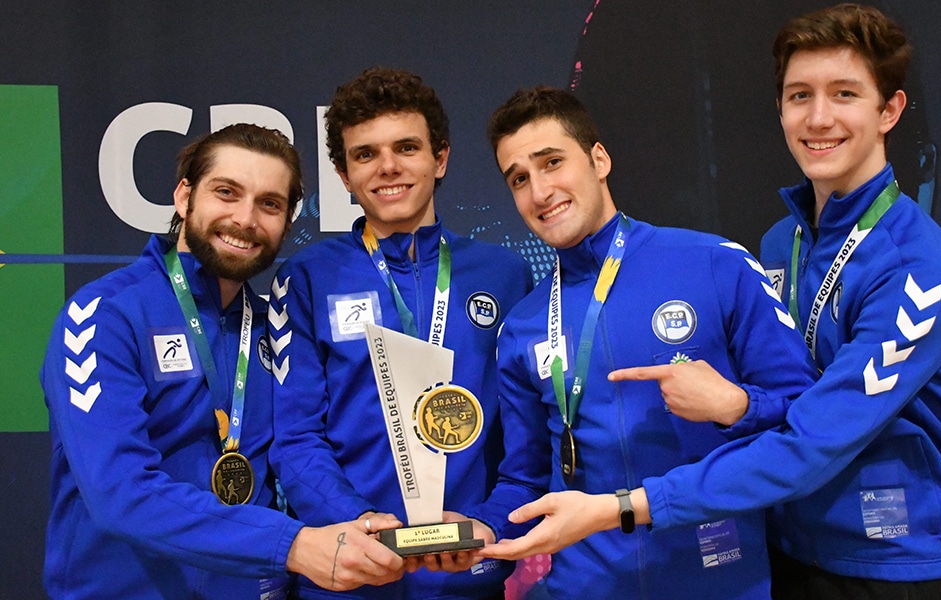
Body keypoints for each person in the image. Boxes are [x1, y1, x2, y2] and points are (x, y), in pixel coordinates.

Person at [483, 5, 941, 599]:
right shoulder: (783, 242)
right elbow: (524, 472)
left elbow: (812, 437)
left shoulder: (917, 268)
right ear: (780, 109)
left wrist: (629, 503)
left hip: (890, 563)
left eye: (844, 93)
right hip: (789, 548)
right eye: (800, 96)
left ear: (890, 110)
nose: (818, 117)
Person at [463, 86, 818, 599]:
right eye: (519, 178)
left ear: (599, 160)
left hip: (720, 579)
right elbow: (525, 478)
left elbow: (807, 418)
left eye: (552, 162)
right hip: (585, 589)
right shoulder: (524, 325)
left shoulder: (716, 264)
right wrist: (484, 529)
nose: (539, 192)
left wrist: (737, 406)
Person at [41, 123, 405, 599]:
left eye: (269, 204)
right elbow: (120, 493)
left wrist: (361, 521)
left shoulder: (274, 326)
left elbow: (300, 452)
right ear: (184, 196)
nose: (245, 219)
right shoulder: (105, 315)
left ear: (287, 224)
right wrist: (292, 545)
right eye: (226, 192)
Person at [268, 67, 534, 599]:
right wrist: (358, 523)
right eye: (365, 154)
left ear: (441, 158)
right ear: (344, 176)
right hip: (350, 575)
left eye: (406, 148)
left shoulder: (504, 274)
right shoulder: (307, 278)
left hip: (469, 576)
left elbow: (526, 440)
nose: (388, 167)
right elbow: (296, 438)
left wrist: (492, 522)